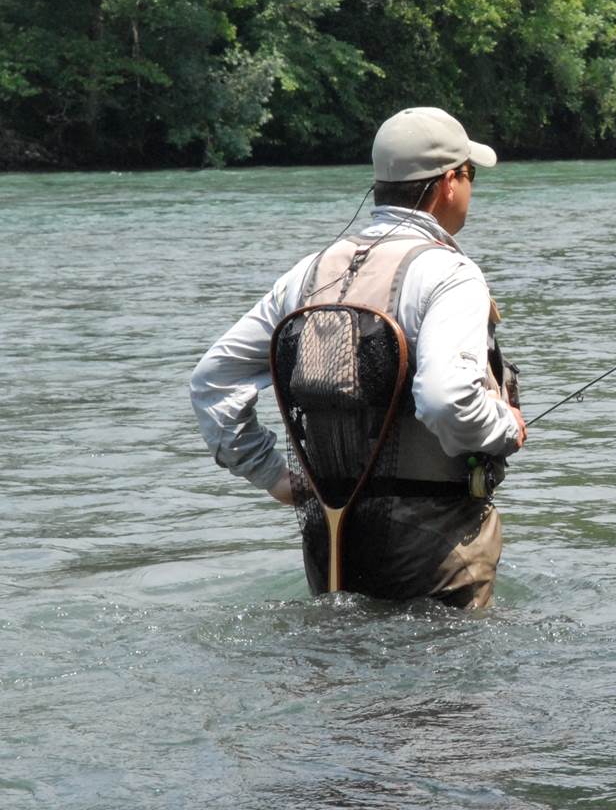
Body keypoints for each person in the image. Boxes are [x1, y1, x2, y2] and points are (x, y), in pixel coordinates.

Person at [189, 106, 526, 608]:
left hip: (331, 535)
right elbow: (444, 399)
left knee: (343, 673)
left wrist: (272, 475)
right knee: (448, 685)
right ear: (448, 183)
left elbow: (213, 381)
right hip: (434, 542)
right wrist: (506, 427)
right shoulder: (452, 275)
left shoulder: (307, 273)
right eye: (470, 174)